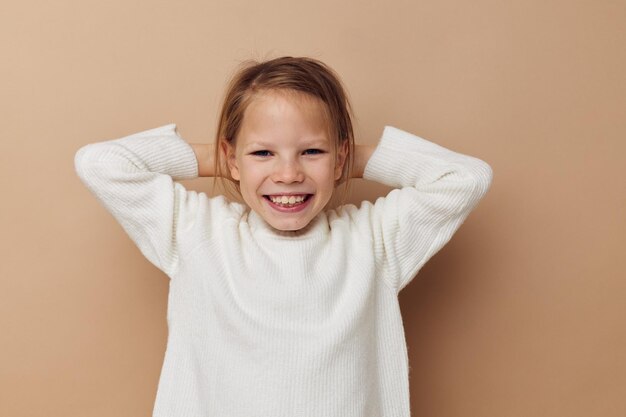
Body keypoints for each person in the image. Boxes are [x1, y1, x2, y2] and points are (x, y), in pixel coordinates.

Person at [74, 56, 493, 417]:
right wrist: (219, 160)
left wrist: (349, 159)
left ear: (340, 157)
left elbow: (466, 178)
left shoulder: (375, 242)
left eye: (312, 152)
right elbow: (100, 163)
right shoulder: (196, 232)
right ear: (231, 158)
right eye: (263, 153)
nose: (288, 174)